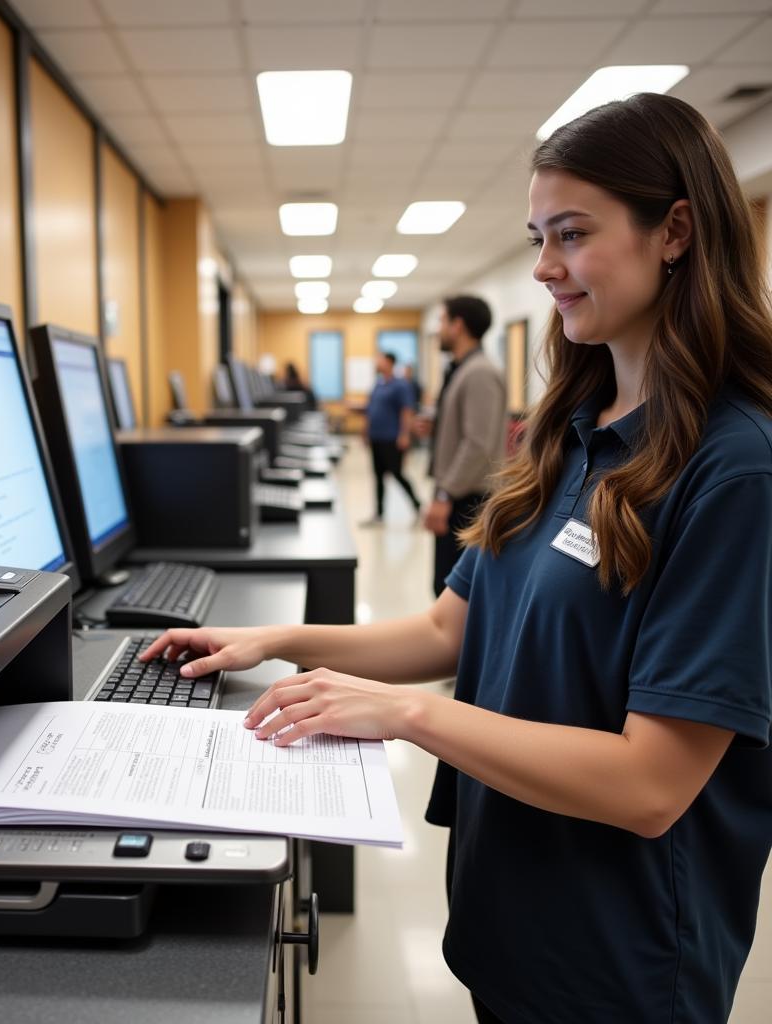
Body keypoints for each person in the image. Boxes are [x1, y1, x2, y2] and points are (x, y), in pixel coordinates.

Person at [140, 93, 772, 1024]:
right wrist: (274, 638)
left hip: (620, 956)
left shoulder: (736, 470)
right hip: (506, 907)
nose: (547, 268)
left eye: (571, 234)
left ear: (674, 230)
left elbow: (651, 785)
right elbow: (450, 626)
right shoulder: (571, 432)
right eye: (536, 239)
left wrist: (407, 718)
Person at [424, 296, 508, 595]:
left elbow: (477, 444)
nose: (438, 329)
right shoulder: (463, 369)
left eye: (442, 321)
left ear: (458, 326)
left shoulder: (480, 373)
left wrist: (445, 494)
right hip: (459, 493)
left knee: (455, 593)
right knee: (445, 587)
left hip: (468, 498)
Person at [361, 350, 422, 526]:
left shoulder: (400, 385)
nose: (376, 362)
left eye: (379, 359)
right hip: (376, 437)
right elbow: (370, 409)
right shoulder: (378, 384)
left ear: (389, 362)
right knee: (378, 476)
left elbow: (407, 411)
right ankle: (379, 514)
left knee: (397, 474)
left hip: (392, 437)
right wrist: (365, 432)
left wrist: (404, 434)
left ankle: (417, 506)